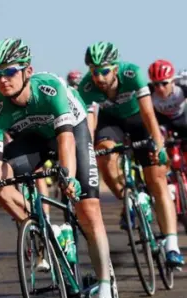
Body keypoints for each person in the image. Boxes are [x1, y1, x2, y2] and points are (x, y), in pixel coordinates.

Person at [0, 38, 116, 298]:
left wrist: (69, 177)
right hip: (33, 139)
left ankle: (105, 288)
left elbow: (65, 139)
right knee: (0, 185)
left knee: (88, 209)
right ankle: (43, 228)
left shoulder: (49, 89)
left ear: (27, 71)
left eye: (10, 71)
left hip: (71, 131)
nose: (3, 80)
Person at [78, 42, 183, 267]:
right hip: (111, 121)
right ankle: (130, 201)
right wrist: (86, 154)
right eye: (94, 71)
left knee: (156, 179)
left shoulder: (131, 73)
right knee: (103, 155)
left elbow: (147, 111)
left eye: (104, 71)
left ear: (115, 68)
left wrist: (158, 144)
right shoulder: (87, 87)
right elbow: (87, 125)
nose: (99, 77)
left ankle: (172, 245)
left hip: (138, 119)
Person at [148, 59, 187, 137]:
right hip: (163, 121)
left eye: (164, 83)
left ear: (172, 81)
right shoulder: (148, 91)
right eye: (156, 84)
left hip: (183, 118)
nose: (160, 88)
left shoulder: (182, 85)